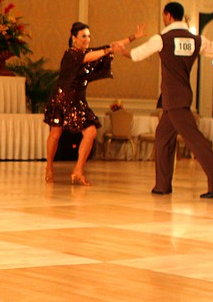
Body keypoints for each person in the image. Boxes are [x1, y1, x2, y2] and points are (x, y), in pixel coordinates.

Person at [118, 2, 213, 198]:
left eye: (163, 16)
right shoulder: (196, 39)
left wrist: (120, 50)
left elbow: (136, 55)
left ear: (168, 15)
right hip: (178, 97)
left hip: (174, 99)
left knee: (195, 141)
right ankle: (162, 185)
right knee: (162, 138)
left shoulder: (162, 38)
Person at [43, 22, 145, 186]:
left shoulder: (89, 52)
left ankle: (78, 170)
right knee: (55, 133)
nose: (87, 39)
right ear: (74, 38)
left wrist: (134, 37)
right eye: (83, 36)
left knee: (90, 132)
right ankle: (49, 167)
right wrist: (109, 50)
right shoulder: (70, 54)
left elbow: (112, 46)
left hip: (78, 100)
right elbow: (89, 57)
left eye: (89, 36)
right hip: (62, 97)